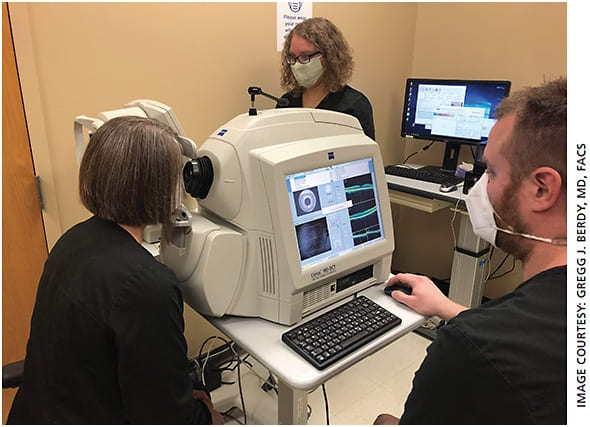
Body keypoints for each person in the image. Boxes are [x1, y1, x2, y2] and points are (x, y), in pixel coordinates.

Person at [7, 117, 223, 424]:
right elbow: (166, 418)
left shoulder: (72, 240)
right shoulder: (149, 287)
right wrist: (208, 415)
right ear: (160, 188)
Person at [375, 78, 567, 424]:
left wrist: (471, 331)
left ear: (542, 189)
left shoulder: (470, 351)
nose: (479, 189)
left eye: (490, 172)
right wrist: (450, 308)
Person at [276, 17, 376, 140]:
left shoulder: (354, 105)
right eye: (292, 57)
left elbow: (366, 156)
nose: (296, 64)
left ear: (329, 56)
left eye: (305, 56)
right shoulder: (286, 103)